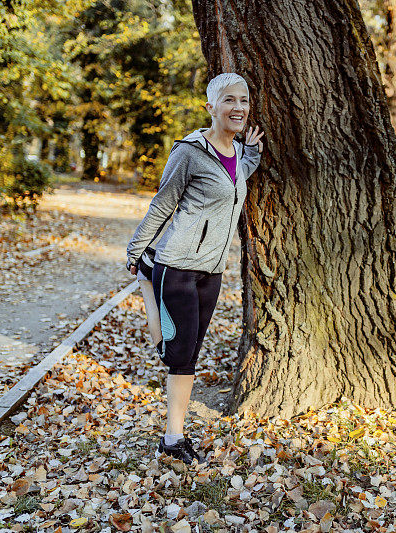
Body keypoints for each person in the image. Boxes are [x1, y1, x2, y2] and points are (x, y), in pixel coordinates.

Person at [126, 72, 265, 465]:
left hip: (212, 270)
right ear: (211, 107)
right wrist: (137, 249)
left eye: (243, 100)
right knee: (179, 356)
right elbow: (162, 203)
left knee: (186, 350)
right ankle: (173, 438)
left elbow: (235, 183)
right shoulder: (188, 151)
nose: (238, 107)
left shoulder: (238, 154)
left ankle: (147, 286)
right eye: (229, 101)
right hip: (177, 265)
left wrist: (252, 155)